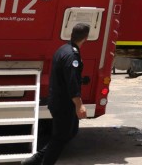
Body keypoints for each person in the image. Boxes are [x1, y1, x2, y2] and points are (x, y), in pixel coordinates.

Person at [21, 23, 90, 165]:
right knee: (60, 137)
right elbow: (72, 83)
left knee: (70, 132)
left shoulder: (63, 49)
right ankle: (40, 162)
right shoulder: (72, 56)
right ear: (86, 38)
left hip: (58, 101)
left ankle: (34, 161)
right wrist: (79, 105)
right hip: (63, 103)